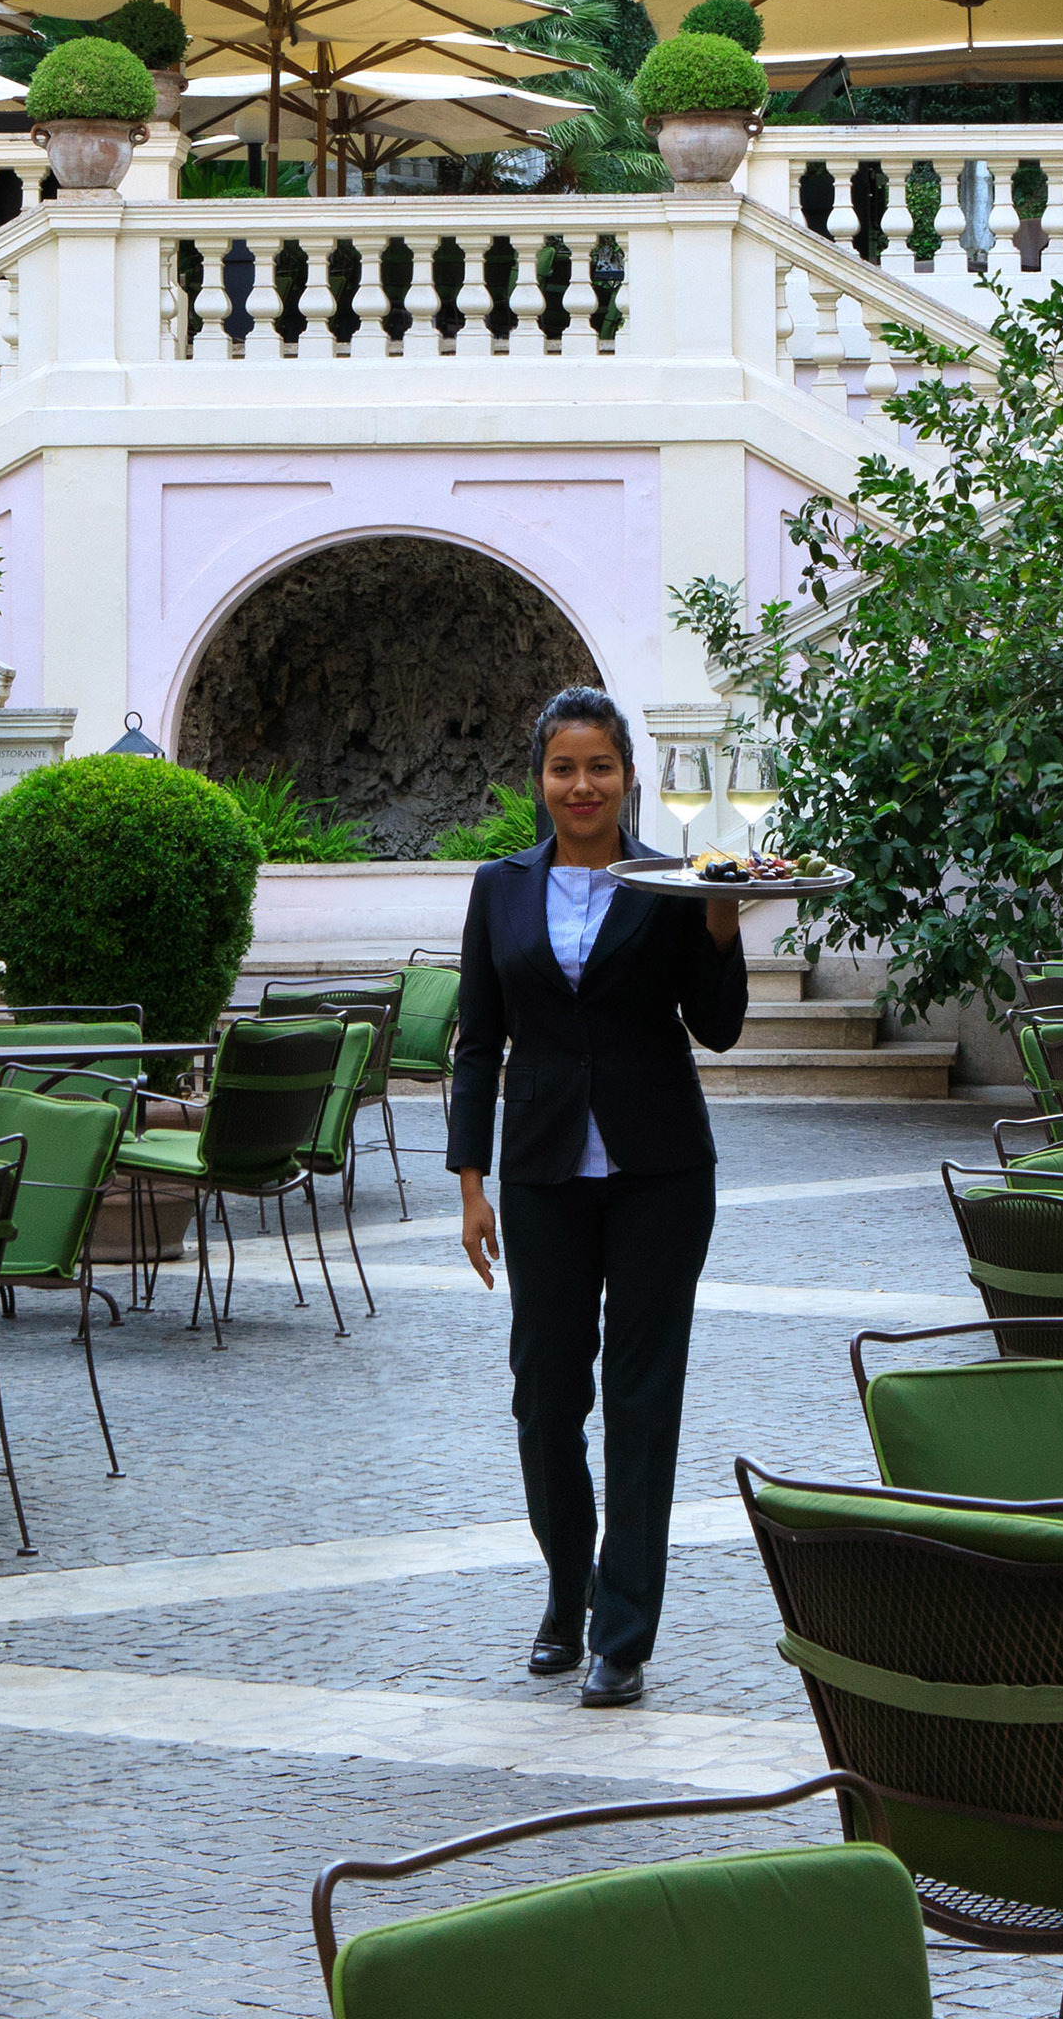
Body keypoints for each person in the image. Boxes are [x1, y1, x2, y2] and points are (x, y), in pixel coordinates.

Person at [450, 686, 748, 1708]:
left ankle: (623, 1632)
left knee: (641, 1400)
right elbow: (478, 1042)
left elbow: (718, 1028)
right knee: (544, 1396)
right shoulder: (499, 887)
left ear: (628, 777)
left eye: (600, 767)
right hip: (541, 1174)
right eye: (563, 767)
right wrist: (470, 1183)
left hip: (661, 1169)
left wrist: (719, 915)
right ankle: (566, 1587)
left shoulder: (670, 882)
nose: (582, 785)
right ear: (541, 779)